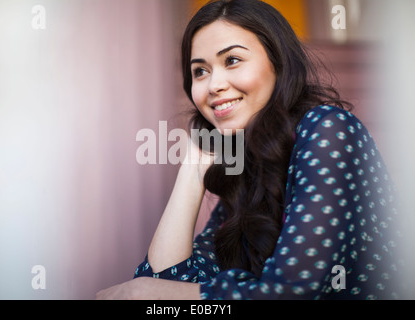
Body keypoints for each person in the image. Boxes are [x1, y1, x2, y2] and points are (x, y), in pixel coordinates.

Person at [96, 0, 403, 300]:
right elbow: (166, 285)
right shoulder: (247, 167)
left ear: (277, 63)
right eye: (200, 71)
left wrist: (145, 291)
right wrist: (192, 170)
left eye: (232, 60)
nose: (214, 84)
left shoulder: (329, 129)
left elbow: (291, 291)